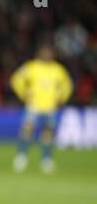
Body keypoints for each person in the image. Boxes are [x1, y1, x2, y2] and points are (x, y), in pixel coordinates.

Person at [11, 44, 73, 174]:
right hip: (34, 106)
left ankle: (46, 160)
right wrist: (24, 93)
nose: (47, 56)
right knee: (26, 132)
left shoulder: (58, 69)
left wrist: (61, 98)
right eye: (45, 53)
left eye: (49, 53)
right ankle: (21, 157)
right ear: (39, 54)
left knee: (48, 135)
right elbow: (16, 80)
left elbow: (67, 85)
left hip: (50, 108)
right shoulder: (31, 67)